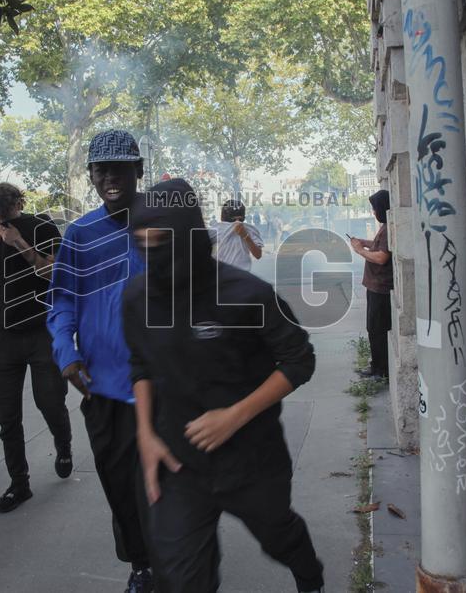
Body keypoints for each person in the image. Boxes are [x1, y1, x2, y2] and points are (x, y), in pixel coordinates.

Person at [123, 179, 325, 593]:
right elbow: (140, 363)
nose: (151, 252)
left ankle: (311, 578)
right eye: (141, 241)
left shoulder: (248, 293)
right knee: (179, 579)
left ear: (189, 236)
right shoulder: (137, 297)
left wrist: (234, 416)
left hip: (251, 459)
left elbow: (299, 359)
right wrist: (145, 433)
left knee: (278, 537)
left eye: (161, 240)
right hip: (178, 463)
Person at [47, 130, 154, 592]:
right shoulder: (80, 234)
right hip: (104, 386)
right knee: (120, 486)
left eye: (120, 167)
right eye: (101, 169)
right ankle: (141, 565)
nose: (110, 176)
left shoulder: (167, 224)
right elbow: (61, 302)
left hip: (164, 385)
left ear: (139, 171)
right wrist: (67, 355)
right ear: (91, 176)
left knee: (165, 483)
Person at [0, 183, 72, 512]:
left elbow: (54, 272)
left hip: (44, 328)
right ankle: (20, 483)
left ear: (19, 202)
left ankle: (63, 441)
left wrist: (19, 243)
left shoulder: (42, 226)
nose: (2, 218)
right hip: (7, 333)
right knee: (8, 416)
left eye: (7, 208)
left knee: (49, 400)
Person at [350, 190, 393, 378]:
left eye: (375, 208)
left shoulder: (388, 228)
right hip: (375, 286)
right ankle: (377, 365)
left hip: (380, 287)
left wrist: (360, 250)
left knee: (377, 329)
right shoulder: (385, 226)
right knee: (373, 328)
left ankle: (381, 369)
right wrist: (366, 243)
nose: (374, 212)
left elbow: (382, 257)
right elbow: (380, 247)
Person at [209, 199, 264, 271]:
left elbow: (258, 254)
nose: (236, 221)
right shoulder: (218, 228)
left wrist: (245, 236)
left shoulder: (250, 229)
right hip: (223, 273)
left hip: (240, 273)